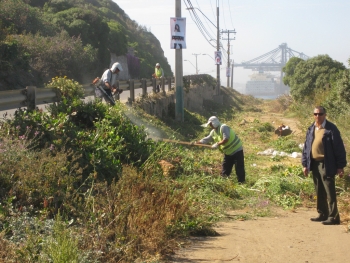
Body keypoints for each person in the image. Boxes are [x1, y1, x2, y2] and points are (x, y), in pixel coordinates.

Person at [302, 106, 347, 225]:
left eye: (320, 114)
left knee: (329, 191)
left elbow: (339, 148)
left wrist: (340, 166)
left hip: (327, 163)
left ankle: (333, 217)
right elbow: (306, 147)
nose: (318, 116)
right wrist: (305, 164)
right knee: (319, 190)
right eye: (315, 114)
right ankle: (322, 213)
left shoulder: (331, 129)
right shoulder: (311, 128)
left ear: (325, 115)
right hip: (314, 163)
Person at [197, 116, 246, 183]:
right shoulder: (213, 132)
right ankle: (224, 182)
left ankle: (242, 183)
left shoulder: (223, 127)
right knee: (225, 169)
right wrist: (196, 143)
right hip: (228, 152)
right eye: (210, 125)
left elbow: (226, 138)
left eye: (211, 124)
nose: (210, 126)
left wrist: (217, 144)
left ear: (214, 123)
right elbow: (206, 139)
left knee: (239, 168)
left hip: (237, 150)